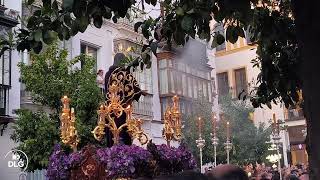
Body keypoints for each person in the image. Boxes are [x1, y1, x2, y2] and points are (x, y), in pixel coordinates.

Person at [104, 53, 147, 147]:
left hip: (109, 109)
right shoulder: (124, 72)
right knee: (123, 131)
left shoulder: (108, 74)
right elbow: (132, 88)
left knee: (112, 130)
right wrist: (140, 92)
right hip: (121, 109)